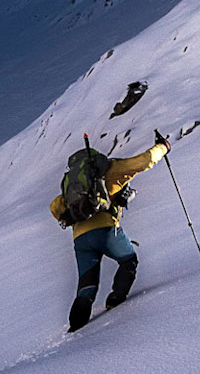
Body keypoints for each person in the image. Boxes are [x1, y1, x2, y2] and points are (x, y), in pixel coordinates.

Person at [50, 136, 168, 331]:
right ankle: (115, 300)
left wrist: (69, 218)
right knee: (128, 260)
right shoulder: (109, 172)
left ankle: (76, 326)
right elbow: (144, 160)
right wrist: (163, 147)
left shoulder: (72, 186)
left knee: (87, 282)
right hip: (105, 229)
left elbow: (54, 207)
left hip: (80, 238)